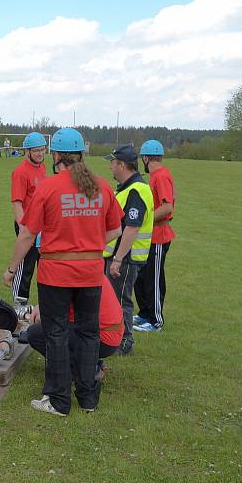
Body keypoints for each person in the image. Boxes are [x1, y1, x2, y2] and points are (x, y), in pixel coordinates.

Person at [2, 127, 122, 416]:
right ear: (81, 153)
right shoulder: (102, 185)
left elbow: (27, 234)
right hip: (91, 272)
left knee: (56, 334)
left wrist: (11, 269)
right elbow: (116, 228)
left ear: (55, 155)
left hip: (56, 273)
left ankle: (58, 400)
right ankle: (88, 398)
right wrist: (90, 245)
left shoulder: (48, 187)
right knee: (88, 333)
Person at [103, 144, 154, 355]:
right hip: (119, 256)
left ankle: (125, 341)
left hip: (126, 258)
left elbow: (132, 228)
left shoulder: (136, 190)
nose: (111, 168)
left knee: (120, 300)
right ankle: (116, 338)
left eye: (113, 163)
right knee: (113, 299)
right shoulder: (125, 188)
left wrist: (117, 259)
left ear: (122, 165)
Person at [22, 275, 123, 380]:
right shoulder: (88, 270)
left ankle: (85, 370)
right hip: (111, 334)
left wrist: (43, 311)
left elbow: (54, 317)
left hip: (101, 338)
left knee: (35, 333)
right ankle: (90, 362)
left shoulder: (71, 276)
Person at [134, 140, 176, 332]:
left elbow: (167, 207)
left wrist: (146, 220)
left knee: (154, 279)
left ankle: (156, 321)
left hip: (159, 235)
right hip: (149, 236)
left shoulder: (161, 176)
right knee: (142, 278)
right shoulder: (154, 176)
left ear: (146, 157)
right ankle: (144, 314)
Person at [10, 132, 48, 301]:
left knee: (44, 265)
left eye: (42, 149)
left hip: (42, 226)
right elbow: (17, 203)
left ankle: (44, 305)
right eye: (36, 150)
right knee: (26, 266)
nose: (40, 153)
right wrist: (24, 229)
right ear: (28, 151)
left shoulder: (43, 167)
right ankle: (19, 304)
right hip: (27, 226)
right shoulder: (20, 172)